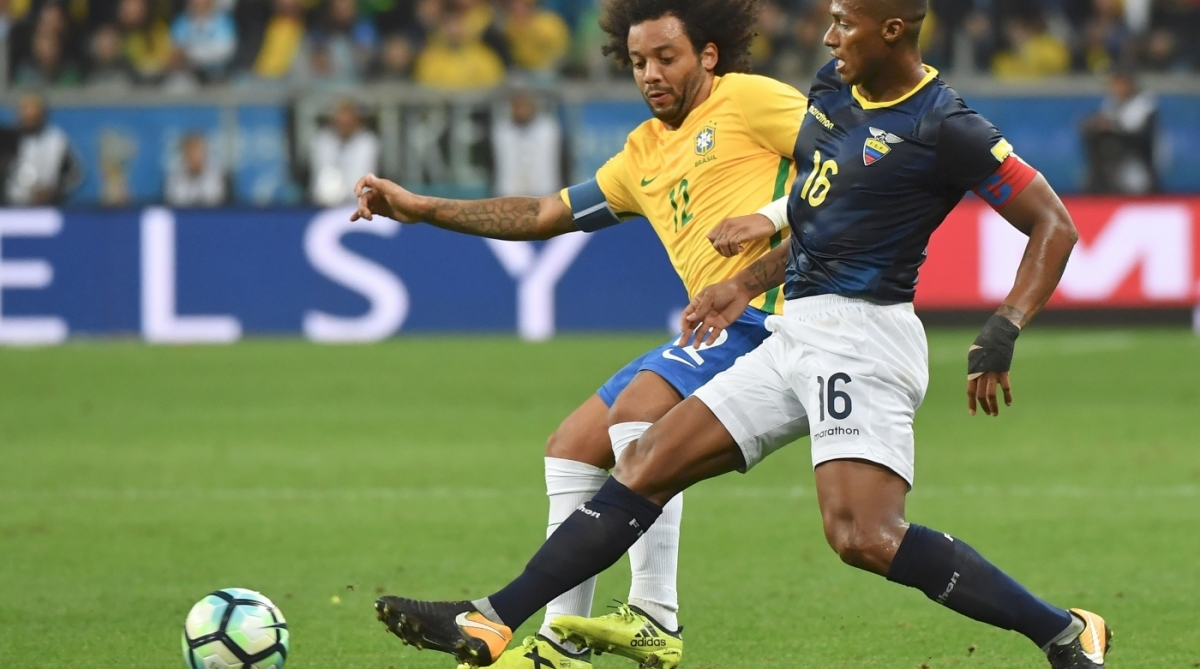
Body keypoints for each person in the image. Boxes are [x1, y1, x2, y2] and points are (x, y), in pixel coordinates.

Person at [366, 2, 1115, 669]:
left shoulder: (947, 126)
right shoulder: (832, 89)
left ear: (892, 29)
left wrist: (1005, 324)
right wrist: (745, 277)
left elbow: (1053, 223)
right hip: (795, 326)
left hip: (862, 337)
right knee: (645, 459)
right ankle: (493, 617)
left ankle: (1064, 630)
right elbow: (825, 212)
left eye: (844, 22)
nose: (828, 36)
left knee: (864, 537)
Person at [352, 1, 805, 667]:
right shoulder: (642, 151)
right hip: (717, 322)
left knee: (639, 409)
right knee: (572, 445)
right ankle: (561, 642)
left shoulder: (750, 99)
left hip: (773, 314)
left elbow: (852, 170)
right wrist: (425, 209)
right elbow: (543, 213)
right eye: (638, 61)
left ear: (709, 55)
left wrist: (770, 217)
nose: (650, 73)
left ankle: (654, 612)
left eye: (667, 57)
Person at [1082, 70, 1158, 194]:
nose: (1115, 88)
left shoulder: (1144, 105)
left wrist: (1113, 126)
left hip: (1140, 163)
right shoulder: (1112, 103)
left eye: (1119, 84)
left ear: (1129, 84)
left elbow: (1140, 137)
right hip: (1116, 164)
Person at [5, 94, 81, 206]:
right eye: (26, 111)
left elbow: (75, 174)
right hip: (13, 205)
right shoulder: (7, 139)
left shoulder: (57, 140)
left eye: (34, 113)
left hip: (49, 204)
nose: (30, 116)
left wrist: (55, 191)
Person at [490, 91, 562, 198]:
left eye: (525, 106)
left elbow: (559, 159)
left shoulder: (548, 129)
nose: (522, 111)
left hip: (543, 190)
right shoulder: (502, 131)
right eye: (518, 107)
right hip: (510, 192)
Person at [311, 100, 380, 207]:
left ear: (357, 121)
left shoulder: (368, 143)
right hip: (326, 205)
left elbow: (363, 177)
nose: (344, 127)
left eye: (348, 123)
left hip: (360, 203)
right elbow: (322, 179)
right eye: (340, 123)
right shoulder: (322, 142)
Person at [165, 132, 227, 207]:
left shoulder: (220, 177)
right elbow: (175, 201)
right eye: (190, 152)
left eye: (198, 151)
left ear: (205, 153)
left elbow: (216, 200)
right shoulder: (174, 177)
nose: (194, 156)